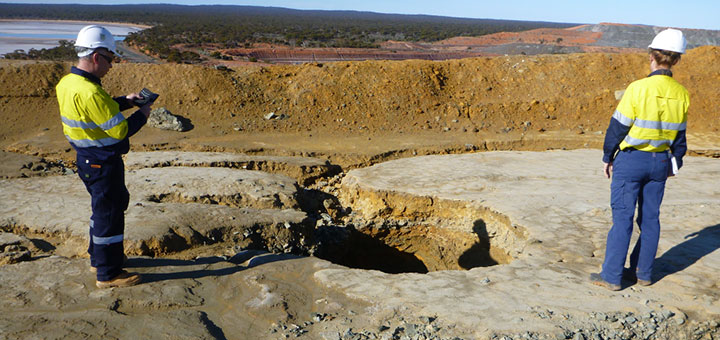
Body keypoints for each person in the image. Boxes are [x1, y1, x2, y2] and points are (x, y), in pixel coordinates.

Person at [591, 28, 689, 291]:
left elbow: (618, 127)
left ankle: (611, 277)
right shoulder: (681, 94)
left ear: (652, 57)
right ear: (676, 60)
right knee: (650, 220)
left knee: (622, 219)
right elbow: (680, 137)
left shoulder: (638, 89)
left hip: (631, 161)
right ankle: (643, 274)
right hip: (660, 162)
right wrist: (674, 162)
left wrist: (607, 156)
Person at [56, 25, 152, 288]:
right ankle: (108, 274)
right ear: (97, 57)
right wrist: (142, 114)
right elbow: (120, 131)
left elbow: (96, 110)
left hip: (87, 158)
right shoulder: (91, 91)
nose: (112, 65)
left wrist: (126, 100)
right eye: (110, 59)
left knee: (103, 210)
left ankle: (99, 258)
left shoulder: (69, 83)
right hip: (103, 162)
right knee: (109, 213)